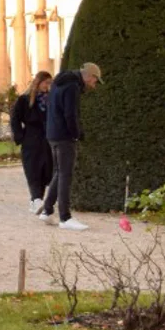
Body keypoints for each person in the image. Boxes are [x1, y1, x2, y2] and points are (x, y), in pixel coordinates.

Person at [37, 62, 103, 230]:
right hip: (64, 136)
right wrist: (76, 134)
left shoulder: (60, 82)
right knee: (66, 175)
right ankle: (65, 217)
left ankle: (47, 210)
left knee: (59, 173)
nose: (94, 85)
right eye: (95, 81)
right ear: (89, 76)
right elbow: (70, 114)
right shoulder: (72, 86)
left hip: (52, 134)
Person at [11, 71, 53, 214]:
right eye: (46, 82)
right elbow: (15, 118)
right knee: (33, 169)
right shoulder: (24, 100)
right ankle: (36, 199)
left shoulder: (50, 99)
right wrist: (20, 136)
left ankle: (36, 200)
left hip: (47, 139)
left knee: (45, 169)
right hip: (31, 139)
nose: (48, 86)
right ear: (39, 82)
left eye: (50, 83)